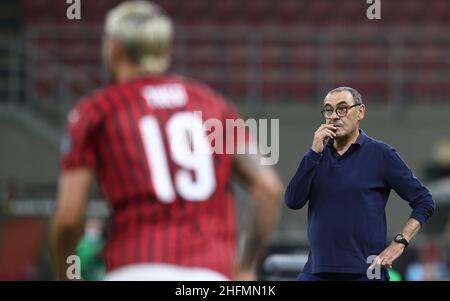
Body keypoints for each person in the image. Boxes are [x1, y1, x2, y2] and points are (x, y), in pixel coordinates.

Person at [50, 0, 282, 281]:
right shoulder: (214, 106)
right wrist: (245, 265)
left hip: (134, 267)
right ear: (166, 50)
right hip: (210, 275)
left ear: (114, 49)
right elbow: (268, 189)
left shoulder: (96, 111)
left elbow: (68, 219)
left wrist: (65, 274)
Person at [284, 86, 436, 281]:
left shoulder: (381, 154)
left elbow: (424, 201)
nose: (334, 116)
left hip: (367, 272)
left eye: (342, 108)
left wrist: (400, 242)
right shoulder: (316, 157)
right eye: (328, 110)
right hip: (317, 270)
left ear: (360, 111)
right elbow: (292, 201)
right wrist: (313, 153)